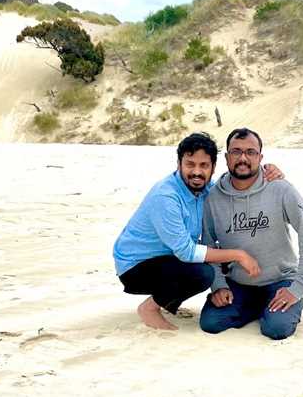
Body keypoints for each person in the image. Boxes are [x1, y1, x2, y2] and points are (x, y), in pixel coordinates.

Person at [113, 132, 283, 331]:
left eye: (204, 165)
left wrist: (269, 171)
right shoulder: (166, 197)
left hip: (167, 259)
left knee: (220, 255)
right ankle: (150, 308)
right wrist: (239, 255)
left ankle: (169, 300)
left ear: (212, 168)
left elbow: (237, 182)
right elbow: (186, 252)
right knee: (203, 273)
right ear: (179, 164)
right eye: (190, 164)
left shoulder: (207, 189)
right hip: (135, 267)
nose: (197, 172)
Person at [199, 127, 303, 340]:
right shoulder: (213, 198)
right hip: (238, 284)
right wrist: (218, 285)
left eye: (251, 152)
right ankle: (259, 308)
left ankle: (288, 304)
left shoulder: (280, 188)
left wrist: (298, 287)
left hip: (280, 280)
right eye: (236, 152)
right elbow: (209, 245)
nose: (243, 158)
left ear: (260, 157)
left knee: (276, 329)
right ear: (227, 157)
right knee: (211, 323)